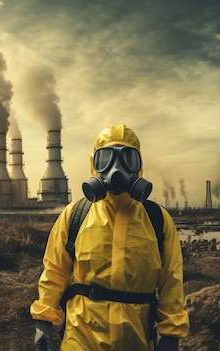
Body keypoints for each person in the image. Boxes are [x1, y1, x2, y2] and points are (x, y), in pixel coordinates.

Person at [30, 124, 189, 351]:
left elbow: (171, 279)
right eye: (105, 159)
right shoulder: (75, 215)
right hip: (81, 338)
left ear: (139, 167)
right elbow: (55, 271)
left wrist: (171, 334)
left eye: (128, 159)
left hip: (136, 340)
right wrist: (43, 322)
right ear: (94, 165)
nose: (116, 169)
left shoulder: (157, 220)